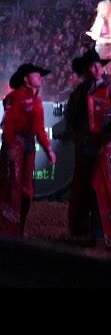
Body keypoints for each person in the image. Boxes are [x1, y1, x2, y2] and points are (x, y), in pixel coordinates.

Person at [64, 49, 111, 249]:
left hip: (102, 148)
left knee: (102, 189)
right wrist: (76, 136)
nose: (97, 68)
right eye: (93, 65)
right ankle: (83, 232)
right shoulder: (78, 93)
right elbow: (69, 119)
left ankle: (100, 233)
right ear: (86, 69)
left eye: (98, 64)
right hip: (85, 148)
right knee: (83, 190)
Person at [0, 64, 56, 236]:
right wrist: (9, 145)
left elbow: (39, 129)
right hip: (16, 146)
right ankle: (9, 231)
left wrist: (48, 149)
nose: (40, 77)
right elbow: (8, 124)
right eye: (36, 75)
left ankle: (18, 229)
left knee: (25, 189)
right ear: (26, 79)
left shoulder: (36, 101)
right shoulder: (15, 97)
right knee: (12, 187)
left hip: (27, 146)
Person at [86, 0, 111, 79]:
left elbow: (95, 36)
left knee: (98, 73)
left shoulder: (100, 19)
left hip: (101, 48)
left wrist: (89, 34)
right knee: (110, 73)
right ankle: (110, 89)